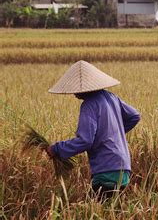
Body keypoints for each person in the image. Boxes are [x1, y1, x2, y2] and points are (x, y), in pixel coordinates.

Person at [46, 60, 140, 201]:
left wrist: (56, 149)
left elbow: (85, 140)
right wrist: (112, 133)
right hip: (124, 169)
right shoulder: (111, 97)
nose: (74, 93)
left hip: (106, 170)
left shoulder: (89, 105)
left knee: (91, 213)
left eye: (76, 89)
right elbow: (134, 116)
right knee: (111, 213)